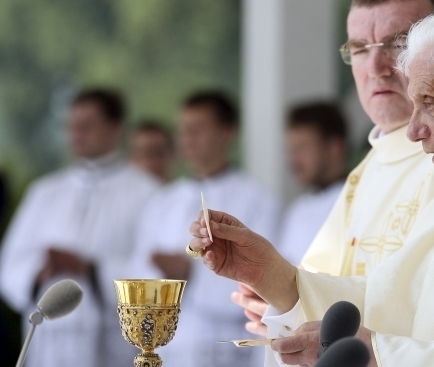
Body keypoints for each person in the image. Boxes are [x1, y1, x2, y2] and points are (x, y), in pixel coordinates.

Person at [188, 5, 434, 366]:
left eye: (429, 102)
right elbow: (402, 308)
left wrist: (383, 356)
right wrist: (274, 277)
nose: (412, 131)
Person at [231, 0, 434, 342]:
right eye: (360, 48)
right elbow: (319, 279)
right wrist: (279, 297)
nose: (376, 66)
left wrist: (292, 292)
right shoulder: (365, 171)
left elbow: (419, 298)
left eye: (399, 44)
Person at [0, 89, 160, 367]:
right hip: (49, 344)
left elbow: (155, 273)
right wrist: (39, 273)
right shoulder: (45, 192)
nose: (77, 134)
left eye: (87, 126)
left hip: (112, 343)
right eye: (72, 126)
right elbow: (10, 265)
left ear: (115, 129)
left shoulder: (148, 193)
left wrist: (91, 269)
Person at [125, 90, 282, 367]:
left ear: (227, 132)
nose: (187, 139)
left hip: (230, 350)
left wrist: (191, 274)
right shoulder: (162, 202)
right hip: (172, 350)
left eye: (197, 130)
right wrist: (164, 279)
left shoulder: (259, 201)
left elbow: (266, 276)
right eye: (182, 131)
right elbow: (137, 271)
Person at [277, 101, 348, 265]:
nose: (293, 160)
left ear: (334, 147)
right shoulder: (297, 209)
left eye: (302, 148)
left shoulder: (359, 201)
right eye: (291, 149)